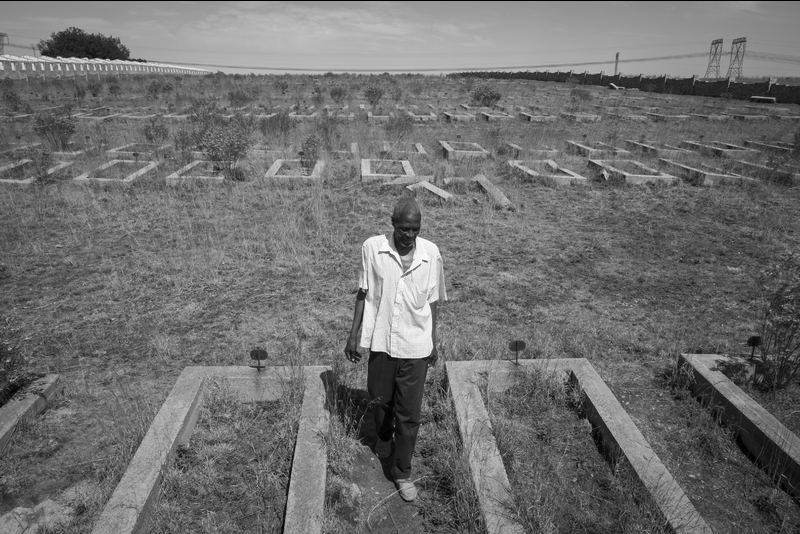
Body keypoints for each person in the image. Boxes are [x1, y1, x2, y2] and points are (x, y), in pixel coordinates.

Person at [344, 197, 446, 502]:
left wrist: (433, 340)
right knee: (379, 400)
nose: (410, 235)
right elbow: (363, 293)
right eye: (404, 228)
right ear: (392, 222)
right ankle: (384, 438)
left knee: (409, 414)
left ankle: (402, 471)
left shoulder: (431, 255)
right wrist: (353, 337)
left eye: (415, 229)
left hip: (415, 346)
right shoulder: (373, 249)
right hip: (382, 342)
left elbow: (433, 301)